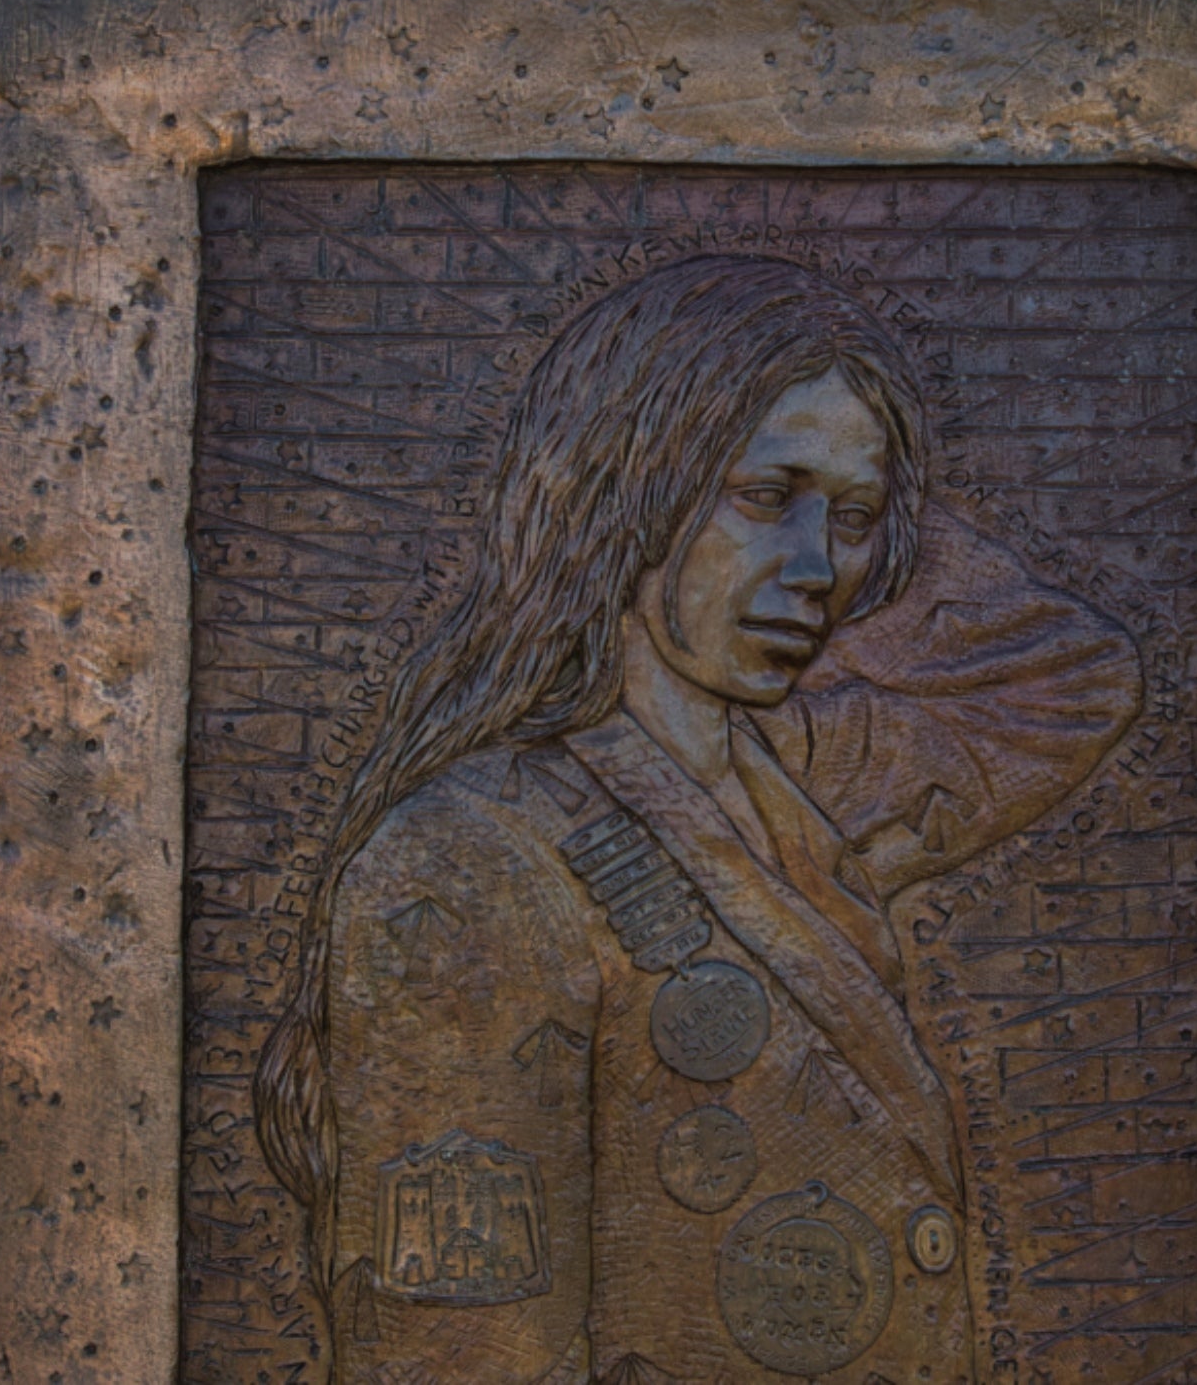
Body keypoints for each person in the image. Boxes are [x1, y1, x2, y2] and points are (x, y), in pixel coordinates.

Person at [256, 253, 1140, 1384]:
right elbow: (459, 1352)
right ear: (626, 490)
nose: (819, 570)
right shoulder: (469, 855)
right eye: (766, 498)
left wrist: (871, 505)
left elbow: (1080, 680)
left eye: (854, 520)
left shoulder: (800, 771)